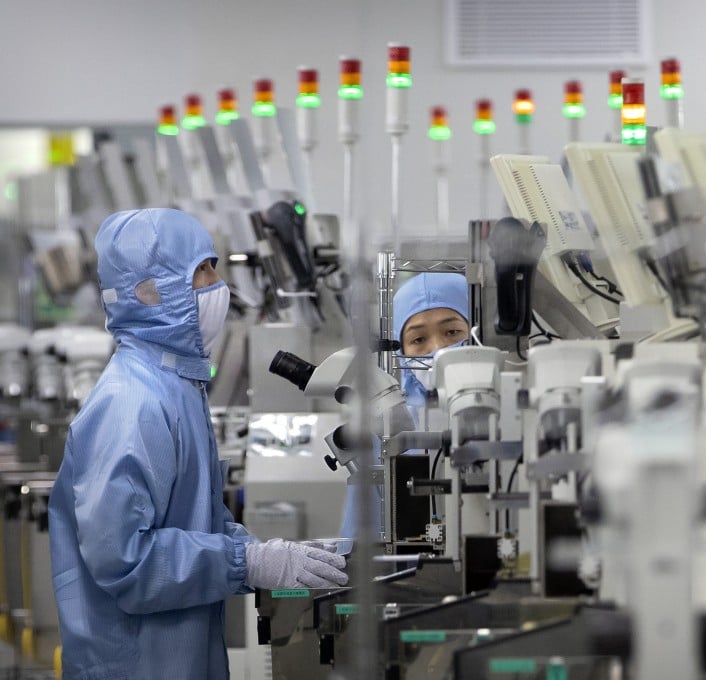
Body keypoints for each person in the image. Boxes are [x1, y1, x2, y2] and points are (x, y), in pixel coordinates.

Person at [48, 208, 348, 680]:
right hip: (135, 665)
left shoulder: (175, 385)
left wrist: (271, 556)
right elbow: (127, 560)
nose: (217, 285)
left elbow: (192, 522)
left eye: (214, 266)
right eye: (200, 272)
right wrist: (246, 562)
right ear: (150, 292)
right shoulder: (131, 405)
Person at [338, 272, 470, 544]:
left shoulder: (516, 416)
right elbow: (361, 546)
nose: (439, 350)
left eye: (452, 332)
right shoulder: (388, 430)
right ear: (401, 352)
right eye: (419, 340)